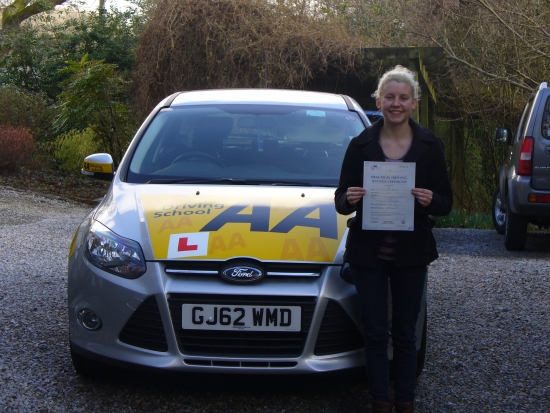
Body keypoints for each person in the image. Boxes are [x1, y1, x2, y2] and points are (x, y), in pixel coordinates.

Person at [334, 66, 453, 413]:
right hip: (368, 255)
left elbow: (447, 202)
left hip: (411, 254)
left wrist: (432, 199)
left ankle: (405, 401)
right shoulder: (361, 144)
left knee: (404, 333)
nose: (395, 103)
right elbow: (341, 200)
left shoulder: (430, 145)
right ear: (378, 101)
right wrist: (350, 199)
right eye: (389, 97)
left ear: (414, 102)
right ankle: (380, 402)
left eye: (403, 97)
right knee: (374, 333)